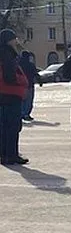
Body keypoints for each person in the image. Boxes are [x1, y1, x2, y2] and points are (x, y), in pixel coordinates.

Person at [0, 29, 28, 166]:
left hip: (3, 95)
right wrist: (23, 81)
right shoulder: (8, 54)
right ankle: (12, 155)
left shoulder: (3, 53)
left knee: (4, 126)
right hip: (11, 94)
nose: (15, 41)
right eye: (14, 39)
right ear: (8, 40)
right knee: (13, 126)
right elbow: (9, 76)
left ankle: (5, 155)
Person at [18, 50, 40, 122]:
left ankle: (22, 113)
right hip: (29, 84)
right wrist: (40, 81)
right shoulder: (31, 65)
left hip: (20, 85)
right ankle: (26, 114)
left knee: (22, 100)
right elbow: (35, 73)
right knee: (29, 100)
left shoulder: (18, 64)